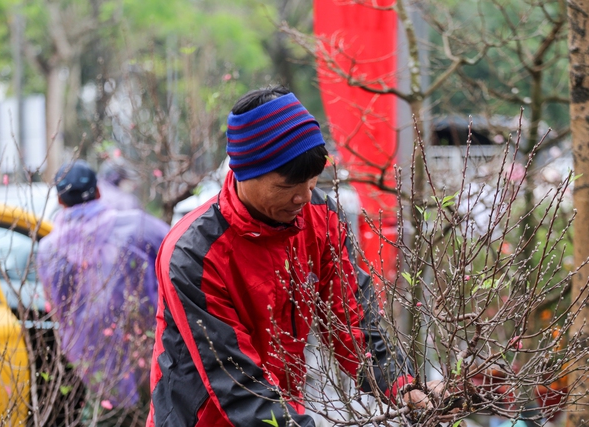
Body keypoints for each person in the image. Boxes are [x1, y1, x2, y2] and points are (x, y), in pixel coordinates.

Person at [147, 86, 448, 427]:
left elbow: (352, 320)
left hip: (285, 407)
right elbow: (234, 381)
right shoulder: (193, 254)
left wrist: (402, 385)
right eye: (287, 187)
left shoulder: (320, 216)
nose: (303, 197)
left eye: (311, 181)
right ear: (245, 173)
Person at [37, 160, 169, 426]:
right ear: (98, 191)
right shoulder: (137, 225)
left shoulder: (48, 250)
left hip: (92, 358)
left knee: (105, 416)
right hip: (146, 350)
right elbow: (175, 251)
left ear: (60, 201)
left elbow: (58, 305)